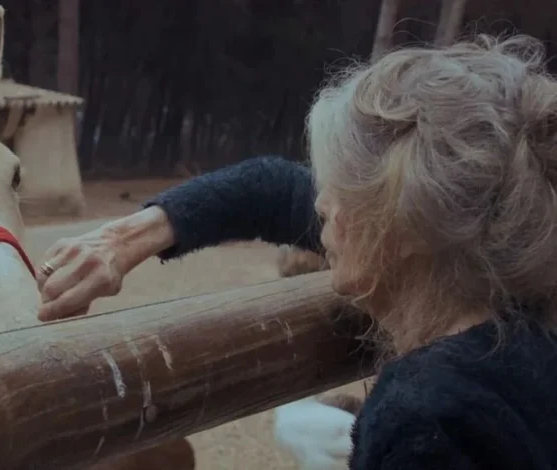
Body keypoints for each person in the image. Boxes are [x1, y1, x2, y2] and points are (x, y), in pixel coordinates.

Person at [37, 34, 557, 469]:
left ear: (412, 228)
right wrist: (123, 240)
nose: (321, 202)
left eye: (344, 188)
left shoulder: (429, 415)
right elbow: (275, 188)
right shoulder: (517, 315)